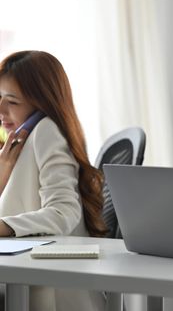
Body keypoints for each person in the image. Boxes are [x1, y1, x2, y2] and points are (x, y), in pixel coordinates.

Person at [0, 50, 106, 311]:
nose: (1, 110)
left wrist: (3, 227)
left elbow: (64, 212)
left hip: (50, 288)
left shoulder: (46, 130)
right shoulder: (15, 146)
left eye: (11, 102)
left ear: (41, 103)